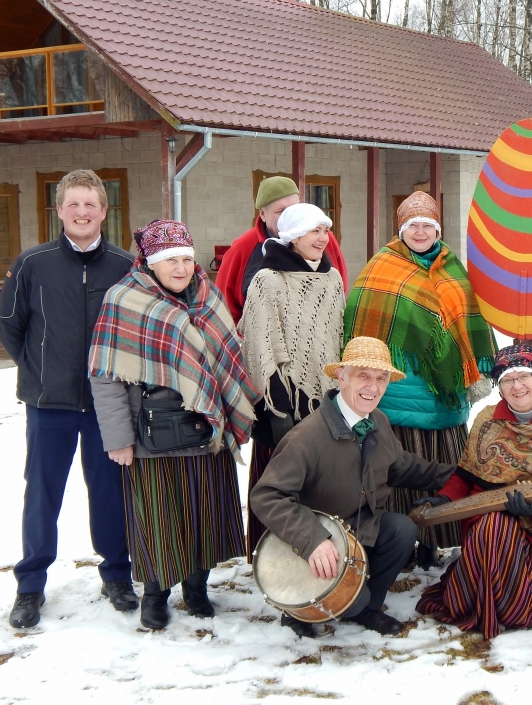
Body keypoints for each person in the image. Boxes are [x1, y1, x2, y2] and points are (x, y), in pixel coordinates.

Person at [89, 220, 258, 630]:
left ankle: (197, 588)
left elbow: (228, 357)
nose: (181, 268)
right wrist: (119, 440)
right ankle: (155, 594)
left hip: (205, 430)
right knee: (158, 519)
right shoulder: (123, 300)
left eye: (185, 258)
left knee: (205, 513)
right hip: (152, 436)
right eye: (170, 260)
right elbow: (104, 375)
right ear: (150, 263)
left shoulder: (208, 296)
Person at [0, 170, 137, 629]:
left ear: (103, 211)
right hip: (49, 405)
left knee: (110, 492)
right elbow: (11, 326)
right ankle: (30, 584)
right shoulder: (32, 263)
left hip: (105, 407)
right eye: (73, 204)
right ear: (58, 210)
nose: (82, 212)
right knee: (42, 495)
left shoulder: (123, 266)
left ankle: (117, 573)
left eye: (90, 204)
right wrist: (39, 370)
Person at [250, 336, 457, 638]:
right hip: (319, 541)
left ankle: (367, 608)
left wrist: (461, 475)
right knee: (344, 600)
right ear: (341, 376)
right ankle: (300, 611)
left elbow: (401, 466)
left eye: (381, 378)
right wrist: (312, 540)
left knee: (402, 529)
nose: (373, 388)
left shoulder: (378, 421)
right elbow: (267, 496)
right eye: (363, 376)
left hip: (362, 529)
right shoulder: (305, 438)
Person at [344, 191, 496, 568]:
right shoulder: (382, 266)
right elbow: (358, 319)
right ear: (402, 229)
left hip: (445, 397)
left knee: (441, 466)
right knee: (401, 468)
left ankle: (436, 541)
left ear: (438, 229)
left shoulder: (454, 268)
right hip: (399, 393)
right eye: (413, 225)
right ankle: (404, 543)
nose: (421, 231)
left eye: (429, 225)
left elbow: (470, 321)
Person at [416, 344, 532, 639]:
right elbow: (465, 475)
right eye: (508, 380)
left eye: (524, 376)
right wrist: (443, 499)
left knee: (520, 611)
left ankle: (510, 605)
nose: (517, 386)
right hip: (486, 521)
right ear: (499, 387)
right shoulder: (486, 422)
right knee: (495, 526)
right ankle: (477, 600)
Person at [238, 203, 346, 564]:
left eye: (324, 231)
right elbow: (260, 344)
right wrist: (280, 407)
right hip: (281, 403)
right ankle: (272, 559)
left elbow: (335, 339)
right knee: (280, 484)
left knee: (319, 481)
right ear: (292, 235)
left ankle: (323, 554)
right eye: (313, 231)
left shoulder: (333, 279)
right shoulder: (268, 279)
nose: (322, 238)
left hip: (325, 400)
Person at [217, 176, 348, 324]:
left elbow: (339, 285)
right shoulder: (243, 247)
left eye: (293, 209)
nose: (289, 216)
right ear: (263, 214)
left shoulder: (323, 238)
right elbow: (223, 306)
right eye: (281, 211)